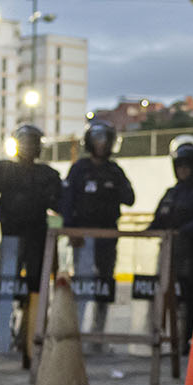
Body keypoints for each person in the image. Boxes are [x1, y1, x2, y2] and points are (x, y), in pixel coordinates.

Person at [0, 123, 64, 356]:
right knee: (7, 285)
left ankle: (28, 333)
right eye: (25, 143)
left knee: (36, 286)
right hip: (10, 236)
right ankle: (3, 333)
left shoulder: (47, 174)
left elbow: (60, 203)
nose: (29, 148)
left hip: (37, 237)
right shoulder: (2, 170)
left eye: (33, 143)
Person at [62, 119, 135, 336]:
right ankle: (78, 329)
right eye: (97, 140)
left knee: (104, 282)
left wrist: (111, 187)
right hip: (83, 237)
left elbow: (130, 198)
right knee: (82, 282)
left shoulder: (114, 171)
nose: (102, 144)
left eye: (106, 140)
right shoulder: (79, 169)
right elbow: (67, 202)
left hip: (107, 236)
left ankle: (99, 330)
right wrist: (70, 230)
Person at [149, 140, 193, 354]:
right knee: (169, 294)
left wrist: (184, 231)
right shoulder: (172, 193)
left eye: (186, 167)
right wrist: (147, 232)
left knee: (190, 297)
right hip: (170, 253)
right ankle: (162, 335)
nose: (182, 171)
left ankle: (188, 338)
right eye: (179, 167)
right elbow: (158, 218)